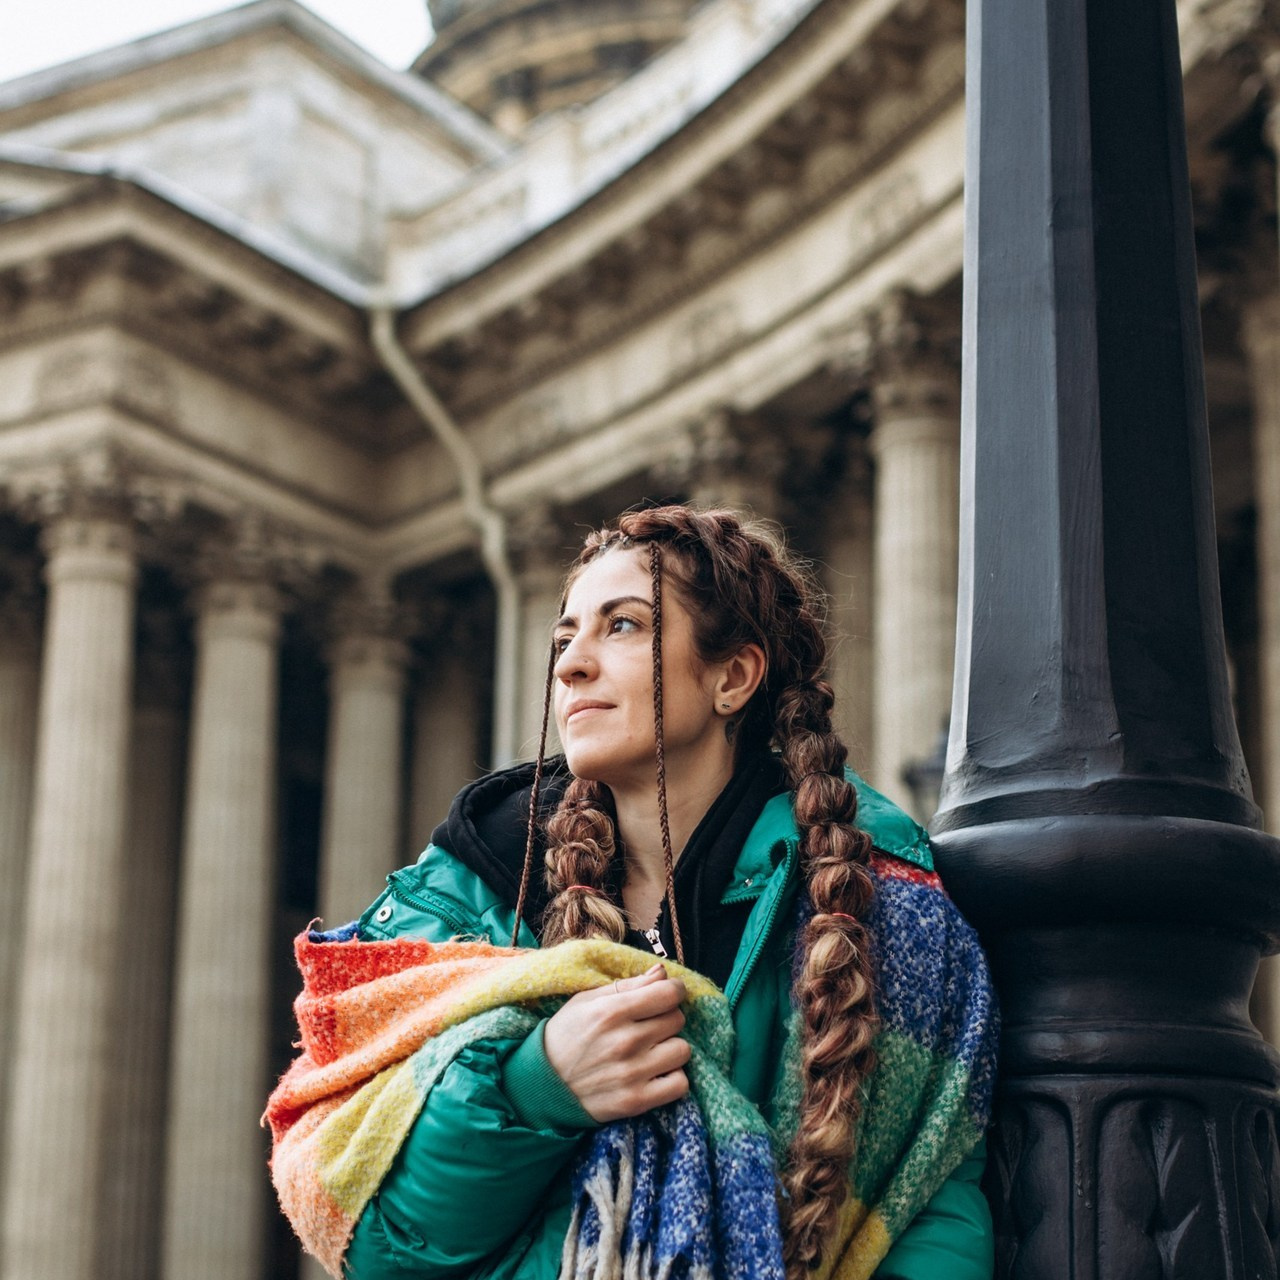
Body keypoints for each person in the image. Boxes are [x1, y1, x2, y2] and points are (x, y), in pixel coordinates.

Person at [281, 505, 996, 1280]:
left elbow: (929, 1206)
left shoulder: (876, 899)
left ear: (732, 678)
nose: (571, 666)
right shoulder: (472, 892)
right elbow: (372, 1242)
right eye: (565, 638)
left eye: (621, 626)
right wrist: (534, 1088)